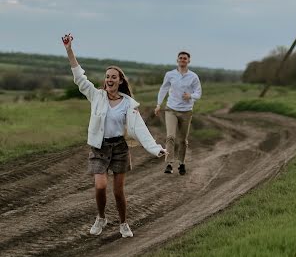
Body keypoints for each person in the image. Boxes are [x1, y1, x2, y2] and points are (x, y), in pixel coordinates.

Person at [62, 33, 166, 238]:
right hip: (99, 148)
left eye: (113, 77)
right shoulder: (96, 96)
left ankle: (124, 223)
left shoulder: (128, 104)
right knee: (100, 186)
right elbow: (79, 77)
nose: (109, 79)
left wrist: (156, 148)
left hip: (119, 148)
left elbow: (140, 129)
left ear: (120, 81)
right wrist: (69, 50)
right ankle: (101, 217)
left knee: (118, 192)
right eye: (107, 76)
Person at [155, 51, 202, 175]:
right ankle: (169, 164)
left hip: (186, 112)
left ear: (188, 61)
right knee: (170, 137)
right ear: (177, 60)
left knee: (182, 140)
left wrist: (191, 96)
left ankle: (181, 163)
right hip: (171, 109)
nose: (182, 60)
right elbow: (163, 88)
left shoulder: (193, 76)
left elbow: (198, 93)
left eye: (185, 58)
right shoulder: (170, 74)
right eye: (180, 58)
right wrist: (159, 104)